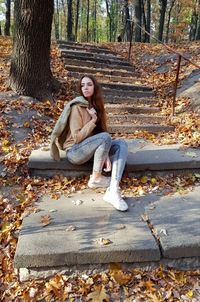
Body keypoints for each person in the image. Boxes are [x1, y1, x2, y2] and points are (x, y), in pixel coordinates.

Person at [50, 75, 128, 211]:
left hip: (90, 148)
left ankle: (113, 189)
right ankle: (96, 178)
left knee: (122, 144)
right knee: (105, 137)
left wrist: (106, 156)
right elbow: (77, 138)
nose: (85, 87)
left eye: (89, 84)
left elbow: (100, 136)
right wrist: (92, 121)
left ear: (95, 87)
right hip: (75, 151)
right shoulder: (77, 107)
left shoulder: (97, 106)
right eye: (83, 85)